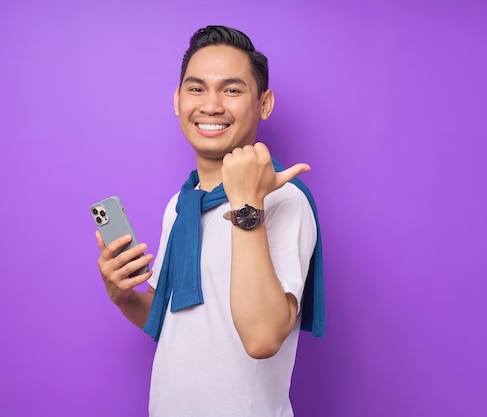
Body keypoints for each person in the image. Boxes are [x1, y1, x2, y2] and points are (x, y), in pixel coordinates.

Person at [95, 25, 325, 417]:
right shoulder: (182, 205)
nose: (211, 105)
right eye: (196, 88)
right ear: (177, 100)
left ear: (264, 103)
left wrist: (248, 201)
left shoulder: (283, 201)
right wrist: (122, 295)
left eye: (232, 90)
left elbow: (263, 337)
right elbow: (173, 323)